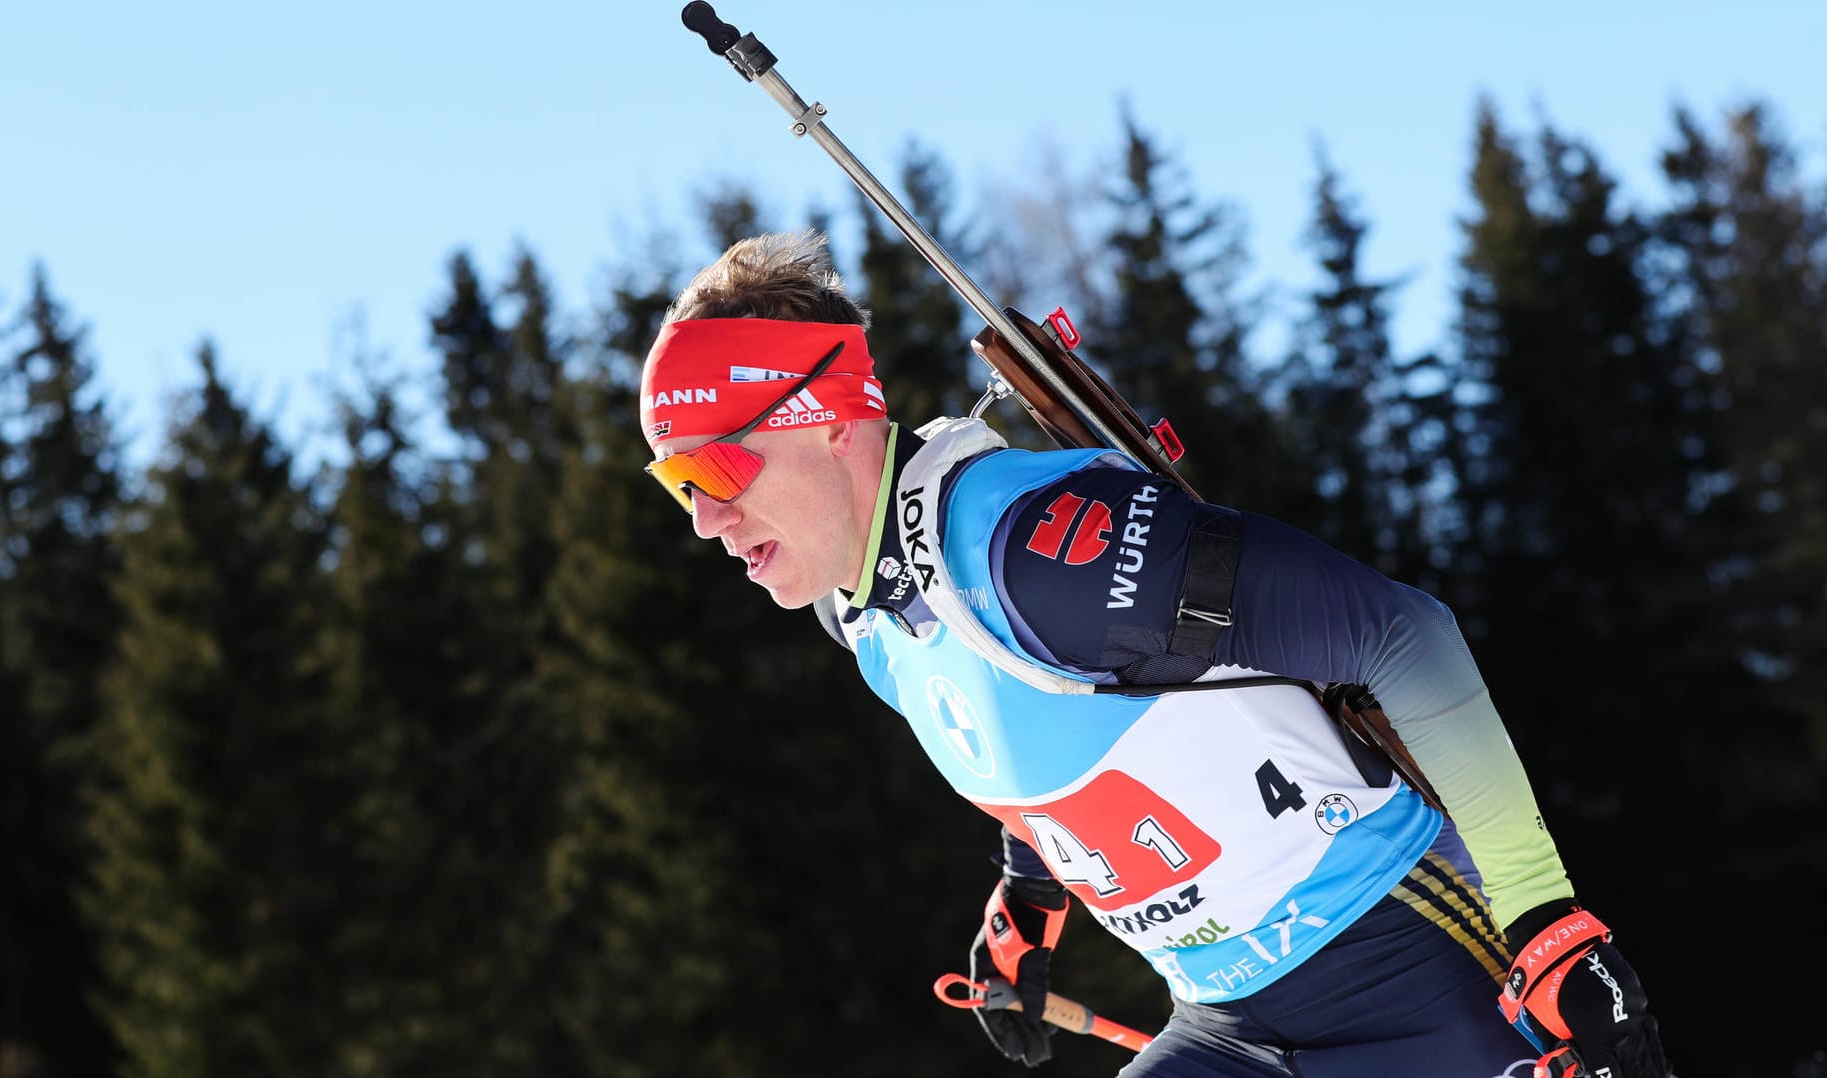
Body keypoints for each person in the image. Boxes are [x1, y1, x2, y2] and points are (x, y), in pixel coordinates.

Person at [637, 229, 1671, 1078]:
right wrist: (1030, 901)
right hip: (1225, 1021)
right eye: (676, 480)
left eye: (719, 464)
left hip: (1414, 965)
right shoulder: (862, 612)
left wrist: (1548, 921)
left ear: (830, 421)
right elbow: (1053, 745)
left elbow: (1404, 634)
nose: (705, 517)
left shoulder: (1033, 551)